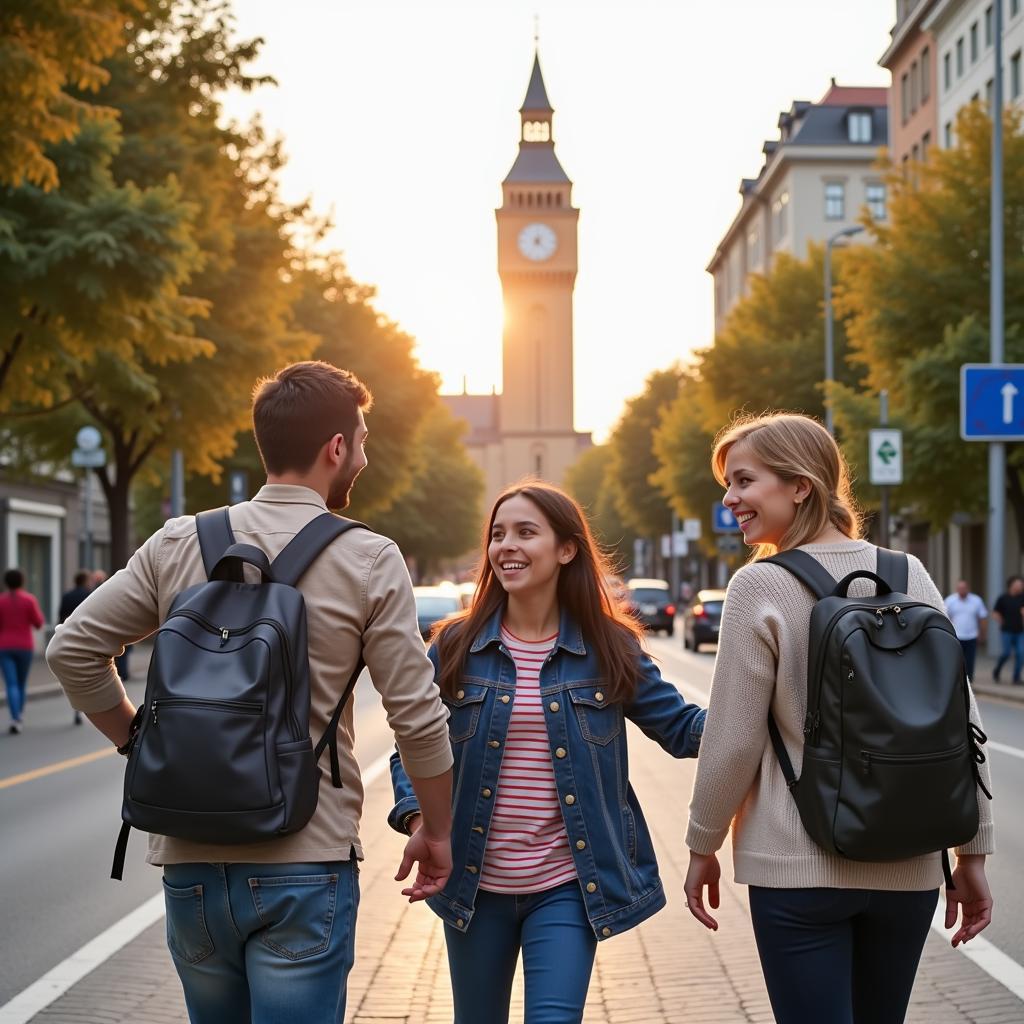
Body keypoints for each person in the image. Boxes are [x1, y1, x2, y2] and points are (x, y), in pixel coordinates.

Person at [47, 360, 455, 1024]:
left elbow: (71, 649)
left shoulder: (178, 541)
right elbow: (417, 716)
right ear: (336, 448)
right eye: (363, 440)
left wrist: (135, 740)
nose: (366, 455)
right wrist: (437, 830)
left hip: (190, 861)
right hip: (306, 855)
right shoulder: (368, 558)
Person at [683, 413, 994, 1024]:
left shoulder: (759, 587)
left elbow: (733, 739)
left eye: (744, 481)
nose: (730, 499)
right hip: (907, 868)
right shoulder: (907, 573)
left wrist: (702, 843)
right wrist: (972, 853)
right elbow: (963, 725)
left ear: (800, 485)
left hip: (799, 869)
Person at [389, 482, 706, 1024]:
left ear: (566, 549)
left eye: (525, 533)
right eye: (498, 534)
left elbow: (682, 729)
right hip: (473, 881)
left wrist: (768, 697)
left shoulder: (610, 646)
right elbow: (410, 746)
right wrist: (420, 816)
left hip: (566, 883)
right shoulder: (457, 645)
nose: (506, 545)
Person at [0, 569, 45, 734]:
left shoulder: (1, 601)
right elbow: (39, 623)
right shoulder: (29, 599)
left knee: (11, 684)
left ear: (6, 583)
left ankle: (15, 718)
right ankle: (19, 716)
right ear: (22, 581)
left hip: (4, 646)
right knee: (21, 683)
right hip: (25, 646)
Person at [59, 571, 92, 724]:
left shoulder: (67, 596)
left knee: (74, 674)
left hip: (70, 637)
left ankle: (77, 708)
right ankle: (84, 708)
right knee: (88, 674)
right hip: (88, 637)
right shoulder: (91, 595)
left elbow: (61, 616)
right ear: (85, 581)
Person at [944, 579, 988, 681]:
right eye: (960, 588)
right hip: (956, 635)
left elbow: (982, 617)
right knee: (957, 659)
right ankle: (957, 679)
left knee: (970, 660)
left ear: (968, 589)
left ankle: (969, 680)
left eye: (964, 588)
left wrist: (983, 633)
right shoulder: (950, 601)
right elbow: (945, 617)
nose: (962, 590)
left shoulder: (976, 600)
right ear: (957, 589)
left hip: (971, 635)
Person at [992, 575, 1024, 684]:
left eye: (1021, 585)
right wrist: (1001, 620)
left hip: (1020, 631)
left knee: (1021, 654)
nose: (1020, 586)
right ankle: (997, 670)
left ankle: (1016, 678)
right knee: (1006, 653)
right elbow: (995, 612)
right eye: (1018, 584)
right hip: (1007, 631)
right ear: (1011, 585)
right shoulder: (1003, 598)